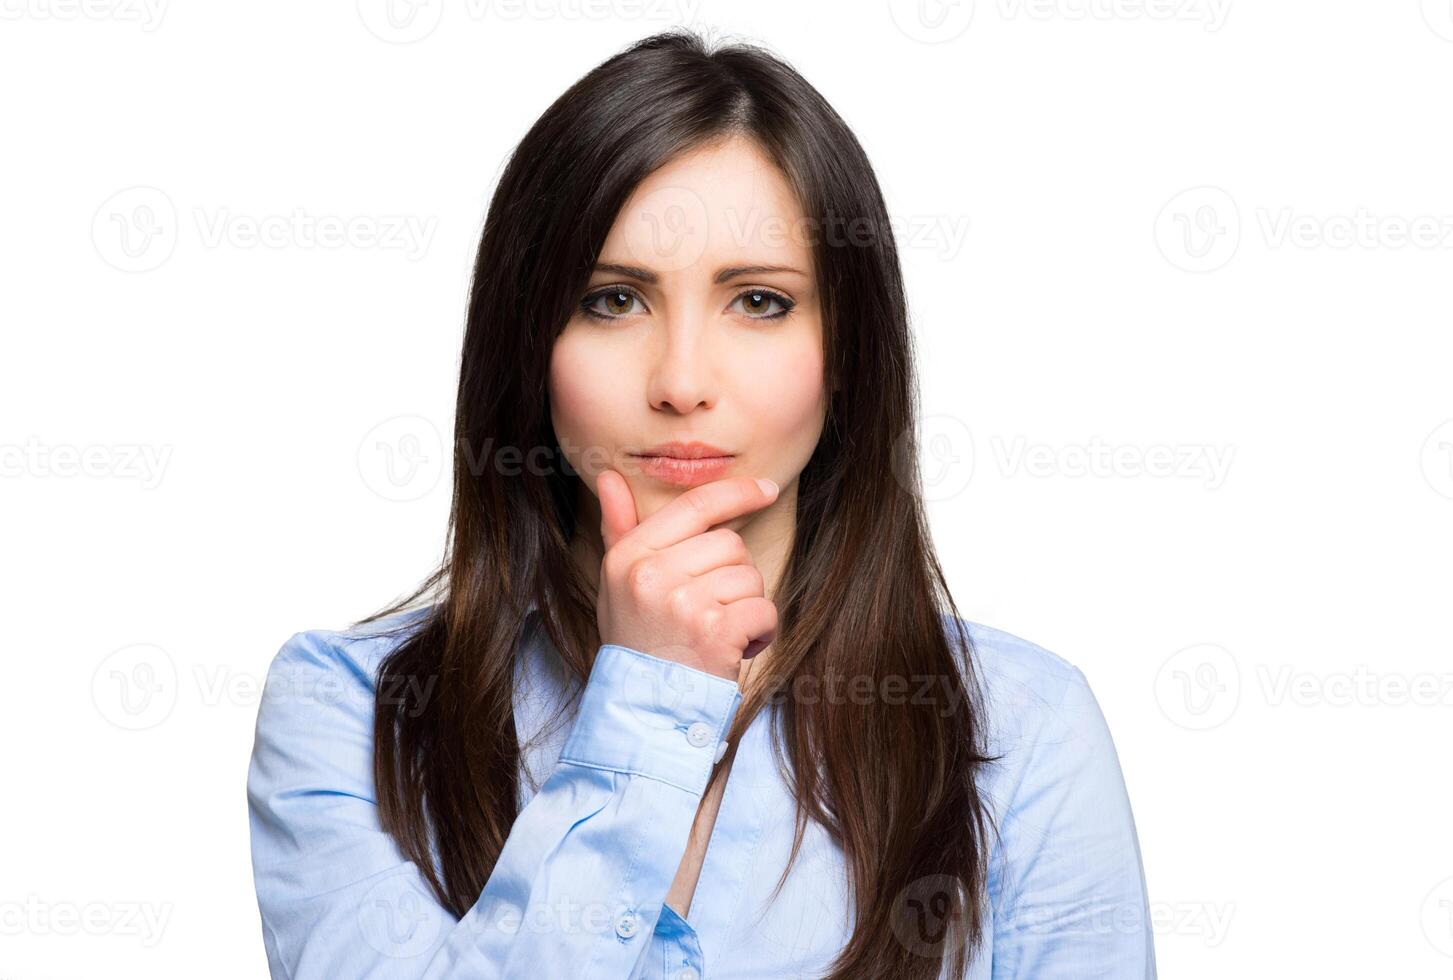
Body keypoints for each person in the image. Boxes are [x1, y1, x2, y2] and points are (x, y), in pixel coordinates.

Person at [246, 27, 1156, 979]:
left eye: (758, 301)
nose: (681, 381)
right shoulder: (350, 711)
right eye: (611, 300)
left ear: (843, 354)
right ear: (529, 344)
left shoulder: (1019, 727)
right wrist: (647, 700)